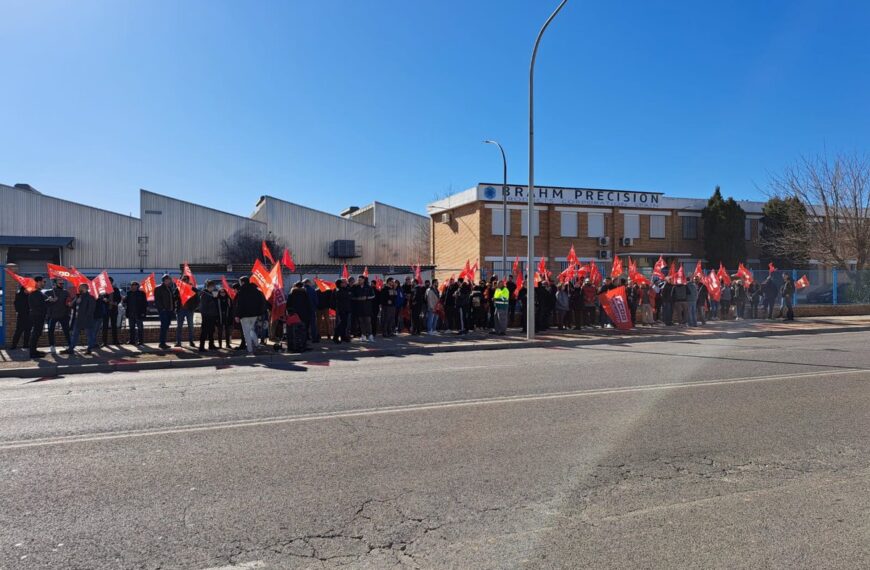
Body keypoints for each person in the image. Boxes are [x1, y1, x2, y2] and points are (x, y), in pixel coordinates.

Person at [234, 276, 266, 354]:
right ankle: (257, 344)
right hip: (254, 315)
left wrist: (237, 315)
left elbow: (239, 304)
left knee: (246, 333)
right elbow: (262, 302)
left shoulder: (241, 291)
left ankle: (250, 349)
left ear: (243, 282)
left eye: (240, 282)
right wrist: (260, 313)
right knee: (251, 330)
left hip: (244, 315)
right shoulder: (256, 290)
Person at [64, 283, 96, 355]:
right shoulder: (78, 297)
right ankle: (71, 348)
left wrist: (86, 317)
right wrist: (76, 300)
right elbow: (72, 306)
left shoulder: (90, 297)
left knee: (89, 334)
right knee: (74, 334)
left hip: (86, 319)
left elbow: (91, 310)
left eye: (80, 288)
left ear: (85, 288)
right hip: (77, 319)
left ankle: (89, 349)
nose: (78, 289)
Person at [46, 278, 71, 352]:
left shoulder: (66, 292)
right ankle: (52, 345)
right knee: (51, 331)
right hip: (52, 315)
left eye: (63, 283)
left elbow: (68, 302)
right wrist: (51, 300)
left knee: (66, 331)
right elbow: (45, 303)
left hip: (64, 315)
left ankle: (70, 345)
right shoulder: (49, 292)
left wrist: (69, 310)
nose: (62, 285)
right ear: (55, 284)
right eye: (60, 283)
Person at [174, 275, 198, 347]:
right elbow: (174, 298)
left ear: (188, 280)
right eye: (183, 279)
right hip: (180, 309)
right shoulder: (178, 288)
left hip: (189, 310)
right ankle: (178, 342)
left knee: (191, 326)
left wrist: (193, 308)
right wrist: (178, 295)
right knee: (179, 326)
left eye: (185, 279)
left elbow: (197, 300)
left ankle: (191, 341)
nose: (184, 280)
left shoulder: (193, 288)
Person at [27, 276, 48, 358]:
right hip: (37, 315)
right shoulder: (35, 292)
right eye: (43, 282)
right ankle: (32, 353)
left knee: (37, 333)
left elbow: (40, 303)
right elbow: (38, 305)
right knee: (36, 333)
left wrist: (47, 300)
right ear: (38, 282)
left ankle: (34, 350)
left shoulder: (38, 292)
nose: (44, 283)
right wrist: (47, 302)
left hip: (38, 315)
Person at [154, 274, 175, 349]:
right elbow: (157, 300)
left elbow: (171, 299)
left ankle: (163, 342)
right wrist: (162, 309)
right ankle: (162, 343)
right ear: (163, 280)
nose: (168, 280)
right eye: (166, 279)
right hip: (164, 311)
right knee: (164, 326)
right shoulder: (158, 288)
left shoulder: (169, 288)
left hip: (169, 310)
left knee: (166, 326)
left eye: (169, 279)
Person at [124, 281, 147, 346]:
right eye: (132, 285)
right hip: (131, 313)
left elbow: (144, 304)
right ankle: (132, 340)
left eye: (134, 285)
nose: (133, 286)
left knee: (140, 328)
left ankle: (141, 341)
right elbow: (125, 302)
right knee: (131, 328)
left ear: (137, 286)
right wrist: (124, 298)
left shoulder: (142, 293)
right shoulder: (129, 293)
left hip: (139, 313)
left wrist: (143, 313)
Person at [9, 282, 31, 351]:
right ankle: (14, 345)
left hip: (29, 316)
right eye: (27, 289)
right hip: (21, 316)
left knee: (28, 331)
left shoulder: (29, 296)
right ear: (24, 289)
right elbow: (16, 305)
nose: (28, 291)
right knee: (18, 331)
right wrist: (19, 311)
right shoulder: (18, 295)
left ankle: (26, 345)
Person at [352, 275, 375, 341]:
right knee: (361, 322)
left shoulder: (369, 287)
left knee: (368, 321)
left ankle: (370, 335)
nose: (359, 281)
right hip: (359, 307)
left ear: (364, 280)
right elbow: (352, 296)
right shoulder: (356, 287)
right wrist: (358, 298)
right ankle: (363, 335)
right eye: (358, 280)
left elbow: (373, 296)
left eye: (360, 280)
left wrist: (366, 297)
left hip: (367, 307)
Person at [198, 280, 218, 352]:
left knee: (211, 331)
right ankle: (201, 347)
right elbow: (203, 306)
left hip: (212, 315)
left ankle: (211, 345)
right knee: (205, 331)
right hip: (207, 316)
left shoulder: (210, 293)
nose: (214, 288)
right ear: (210, 286)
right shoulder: (205, 294)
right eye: (213, 286)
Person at [102, 277, 122, 346]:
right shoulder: (103, 289)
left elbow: (119, 298)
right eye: (107, 281)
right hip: (106, 310)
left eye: (110, 281)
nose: (109, 282)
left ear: (112, 282)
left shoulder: (116, 289)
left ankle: (115, 341)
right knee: (105, 326)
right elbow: (101, 298)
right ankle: (104, 342)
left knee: (114, 326)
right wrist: (104, 300)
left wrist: (116, 302)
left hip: (114, 309)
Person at [331, 278, 353, 343]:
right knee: (341, 323)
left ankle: (343, 337)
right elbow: (335, 300)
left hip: (347, 308)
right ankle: (336, 337)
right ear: (341, 283)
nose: (346, 283)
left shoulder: (346, 289)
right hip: (341, 309)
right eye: (344, 282)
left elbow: (350, 296)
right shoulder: (337, 290)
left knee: (345, 323)